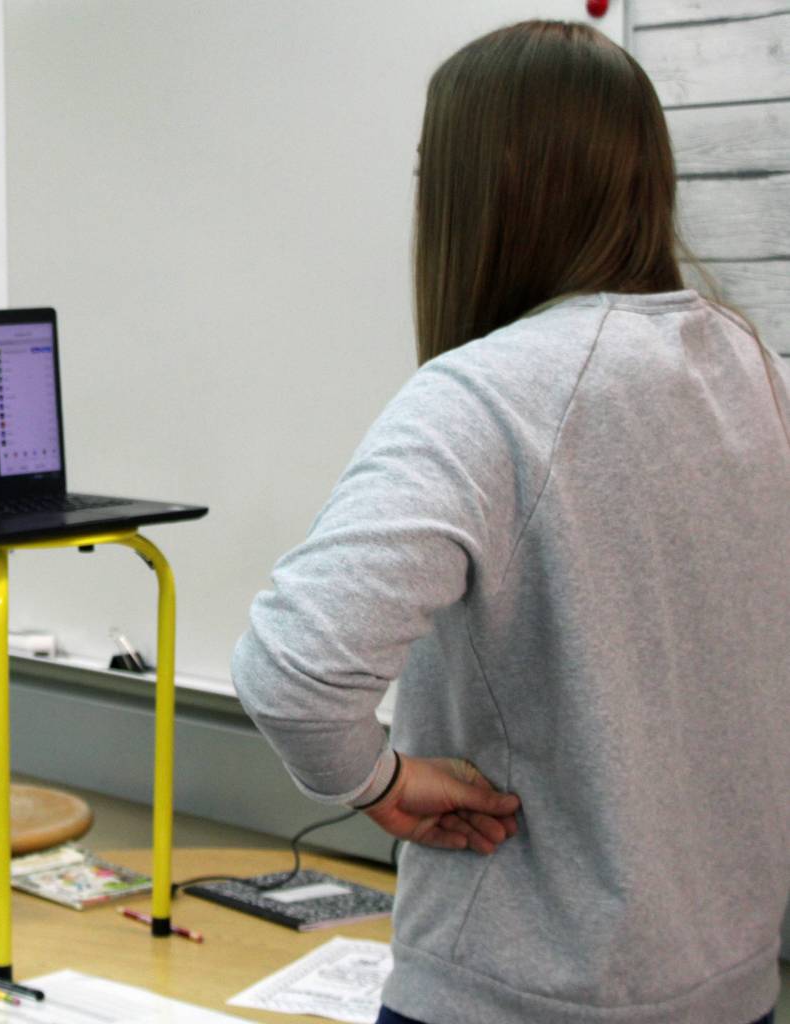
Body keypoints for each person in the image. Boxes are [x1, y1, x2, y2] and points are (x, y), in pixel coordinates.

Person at [231, 20, 788, 1024]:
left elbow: (292, 668)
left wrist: (377, 779)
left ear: (475, 194)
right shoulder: (753, 374)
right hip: (732, 989)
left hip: (513, 997)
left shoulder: (485, 397)